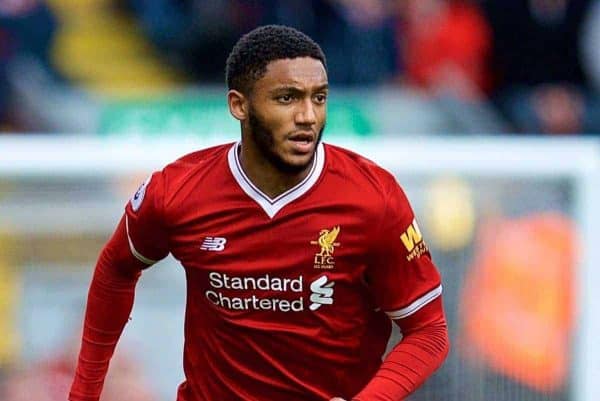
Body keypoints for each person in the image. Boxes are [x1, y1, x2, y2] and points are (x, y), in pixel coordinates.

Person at [68, 25, 449, 401]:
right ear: (239, 105)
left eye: (319, 98)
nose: (308, 116)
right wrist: (84, 393)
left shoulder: (373, 199)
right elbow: (116, 268)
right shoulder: (177, 193)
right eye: (287, 98)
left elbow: (429, 331)